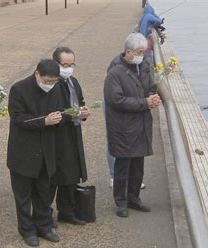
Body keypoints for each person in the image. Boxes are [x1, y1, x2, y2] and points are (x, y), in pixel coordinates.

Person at [103, 33, 161, 218]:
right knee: (123, 165)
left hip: (141, 123)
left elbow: (150, 86)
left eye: (143, 51)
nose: (142, 55)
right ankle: (121, 201)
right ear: (128, 52)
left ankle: (134, 197)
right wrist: (145, 103)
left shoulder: (143, 66)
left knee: (138, 164)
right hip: (123, 126)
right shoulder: (115, 73)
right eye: (139, 52)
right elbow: (116, 100)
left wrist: (152, 96)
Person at [7, 59, 63, 247]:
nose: (50, 85)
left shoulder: (56, 88)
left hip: (47, 150)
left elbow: (61, 112)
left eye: (53, 81)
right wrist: (44, 122)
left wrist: (69, 115)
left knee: (44, 193)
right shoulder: (19, 89)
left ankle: (44, 226)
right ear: (36, 74)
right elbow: (17, 118)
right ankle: (27, 230)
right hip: (23, 151)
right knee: (23, 196)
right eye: (47, 80)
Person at [49, 47, 90, 226]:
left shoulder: (73, 81)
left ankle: (67, 210)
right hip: (56, 134)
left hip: (73, 132)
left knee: (72, 173)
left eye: (71, 64)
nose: (68, 68)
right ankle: (45, 213)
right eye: (64, 64)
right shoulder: (52, 83)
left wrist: (84, 111)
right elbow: (52, 111)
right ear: (56, 64)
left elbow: (79, 102)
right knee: (54, 176)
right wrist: (73, 114)